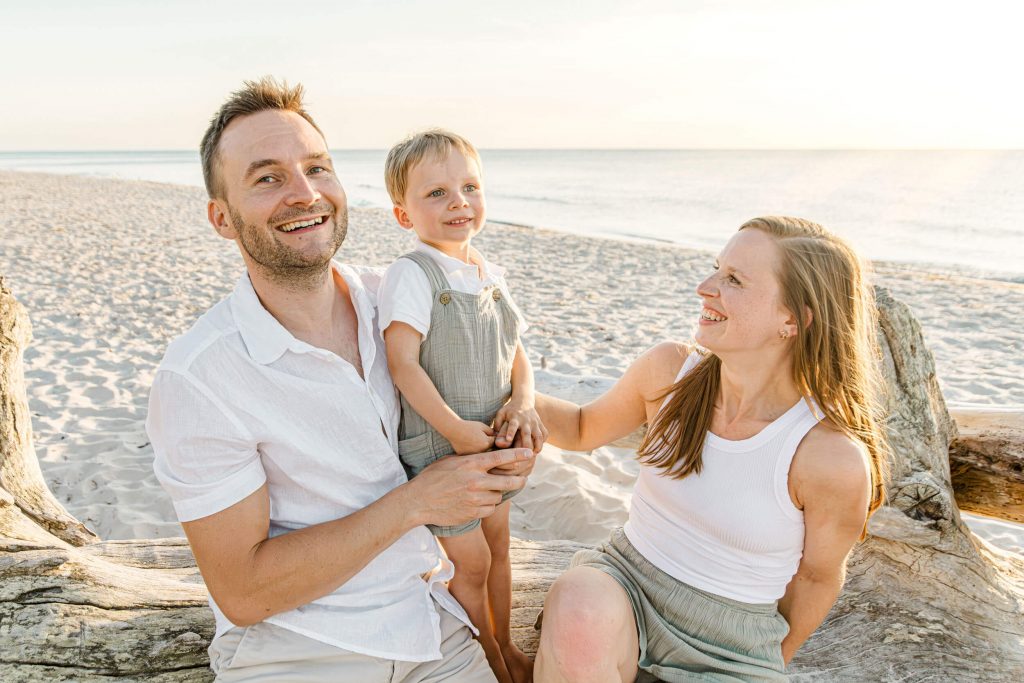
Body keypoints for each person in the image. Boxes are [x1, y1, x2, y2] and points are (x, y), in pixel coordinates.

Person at [145, 77, 535, 682]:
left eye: (318, 168)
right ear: (221, 218)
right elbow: (243, 593)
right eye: (267, 177)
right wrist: (416, 503)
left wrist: (522, 427)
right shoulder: (200, 378)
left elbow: (487, 380)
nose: (305, 194)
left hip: (436, 629)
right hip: (301, 650)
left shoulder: (401, 297)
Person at [532, 217, 889, 682]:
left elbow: (817, 578)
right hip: (625, 587)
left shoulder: (827, 456)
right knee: (578, 605)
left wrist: (764, 665)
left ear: (794, 319)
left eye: (734, 280)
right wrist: (508, 386)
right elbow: (580, 429)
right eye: (716, 269)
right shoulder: (668, 373)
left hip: (732, 646)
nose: (705, 287)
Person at [378, 129, 544, 683]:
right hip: (442, 452)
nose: (459, 202)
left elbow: (516, 350)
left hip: (494, 445)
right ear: (404, 215)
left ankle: (507, 644)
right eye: (437, 193)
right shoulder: (413, 275)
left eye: (470, 186)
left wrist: (523, 403)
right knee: (469, 565)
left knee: (499, 548)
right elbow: (403, 365)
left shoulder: (486, 272)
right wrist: (454, 429)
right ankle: (485, 659)